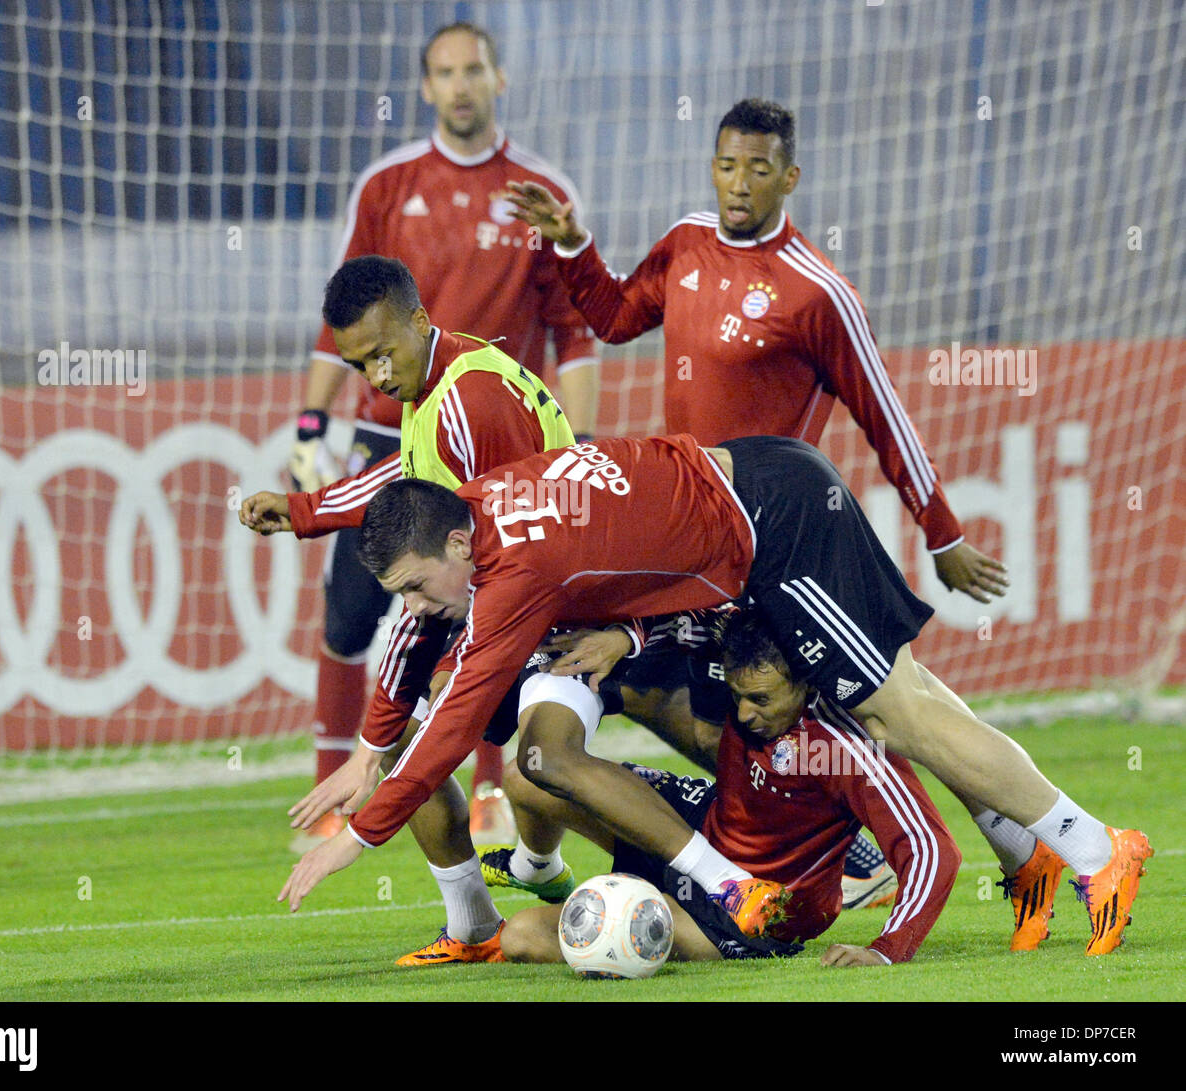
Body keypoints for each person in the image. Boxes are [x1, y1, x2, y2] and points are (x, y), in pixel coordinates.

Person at [276, 433, 1152, 958]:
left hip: (779, 526)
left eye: (422, 589)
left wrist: (361, 831)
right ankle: (1025, 846)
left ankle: (1095, 847)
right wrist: (627, 634)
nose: (423, 611)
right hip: (751, 513)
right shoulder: (475, 507)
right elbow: (627, 540)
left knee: (896, 709)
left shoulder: (511, 574)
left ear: (460, 548)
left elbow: (460, 718)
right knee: (902, 696)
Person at [291, 21, 599, 847]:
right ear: (425, 87)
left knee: (492, 604)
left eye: (473, 70)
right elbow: (339, 324)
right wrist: (312, 425)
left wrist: (583, 442)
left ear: (497, 78)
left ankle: (494, 791)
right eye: (444, 73)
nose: (460, 85)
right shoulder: (388, 186)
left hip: (497, 451)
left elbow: (573, 331)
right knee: (356, 618)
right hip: (387, 439)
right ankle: (333, 794)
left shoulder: (539, 187)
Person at [505, 97, 1006, 605]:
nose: (739, 184)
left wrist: (944, 535)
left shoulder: (819, 295)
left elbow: (887, 420)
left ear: (789, 179)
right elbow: (614, 320)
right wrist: (573, 244)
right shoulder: (686, 242)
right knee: (657, 683)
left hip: (772, 525)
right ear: (713, 169)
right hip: (686, 513)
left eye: (758, 169)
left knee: (769, 680)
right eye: (727, 166)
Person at [243, 254, 600, 965]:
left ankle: (702, 876)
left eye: (382, 353)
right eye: (359, 365)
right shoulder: (437, 390)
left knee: (515, 754)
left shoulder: (470, 403)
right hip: (531, 604)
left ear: (419, 320)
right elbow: (405, 480)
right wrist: (304, 510)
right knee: (430, 730)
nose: (375, 376)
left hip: (568, 619)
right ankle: (482, 915)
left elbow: (450, 578)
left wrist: (368, 753)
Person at [497, 608, 961, 966]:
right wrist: (621, 639)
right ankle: (539, 869)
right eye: (737, 697)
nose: (742, 715)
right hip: (707, 827)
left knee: (522, 937)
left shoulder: (844, 745)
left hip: (757, 914)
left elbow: (931, 847)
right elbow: (679, 623)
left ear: (806, 683)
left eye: (760, 699)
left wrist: (887, 949)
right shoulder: (743, 659)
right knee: (530, 775)